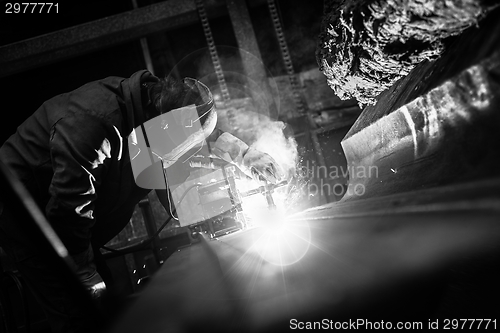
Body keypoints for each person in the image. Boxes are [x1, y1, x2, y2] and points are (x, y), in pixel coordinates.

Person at [0, 69, 283, 333]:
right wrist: (83, 274)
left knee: (107, 305)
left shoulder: (155, 109)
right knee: (80, 313)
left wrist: (243, 154)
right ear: (164, 126)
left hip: (68, 219)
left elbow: (194, 130)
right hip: (25, 215)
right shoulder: (93, 126)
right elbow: (69, 209)